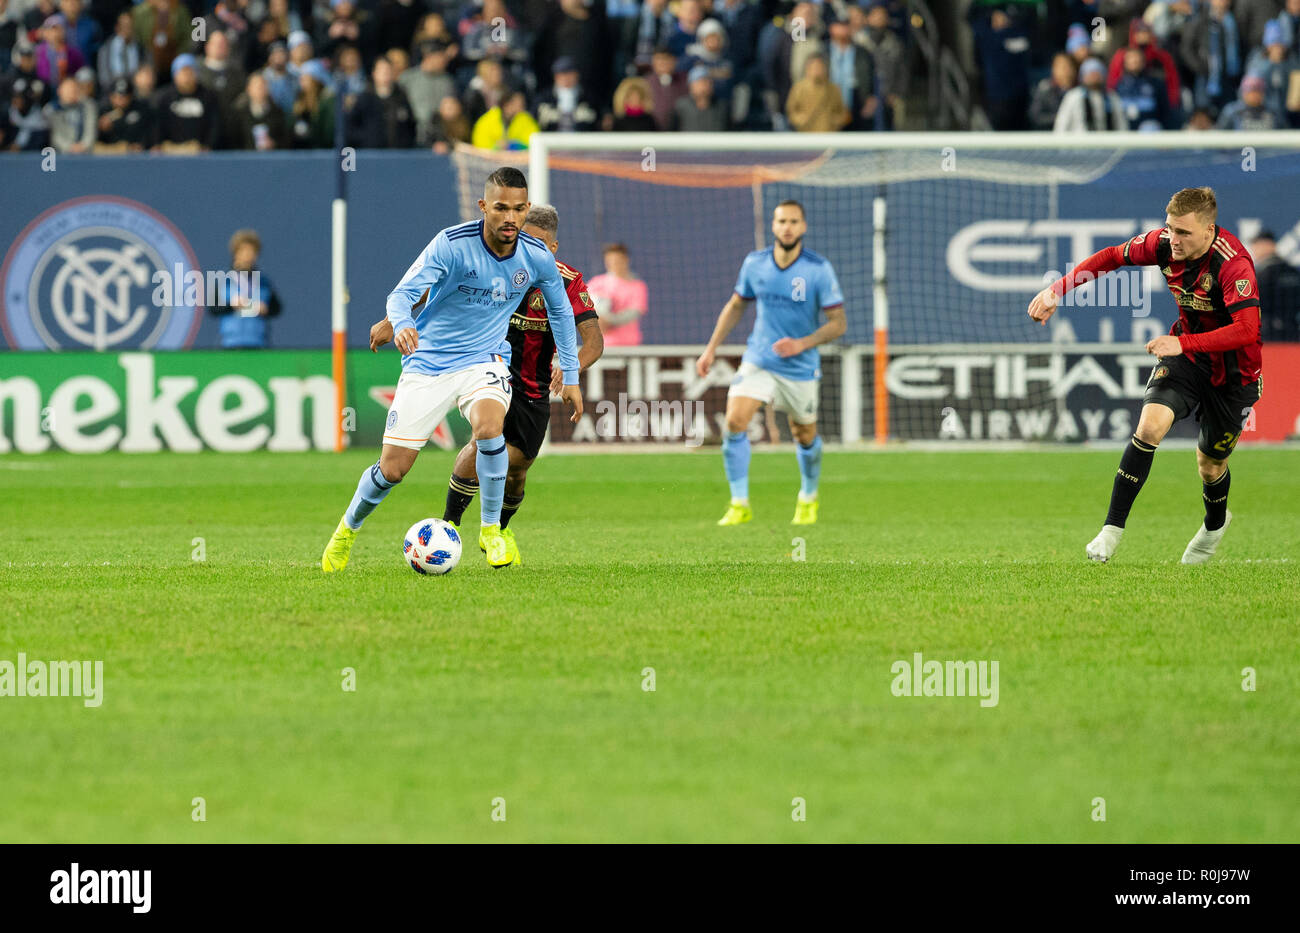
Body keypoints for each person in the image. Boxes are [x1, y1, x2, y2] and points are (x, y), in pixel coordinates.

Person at [320, 168, 584, 571]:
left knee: (490, 427)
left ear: (526, 208)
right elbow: (403, 293)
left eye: (517, 209)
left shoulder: (536, 256)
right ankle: (346, 531)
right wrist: (403, 322)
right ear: (484, 207)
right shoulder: (451, 244)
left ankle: (491, 529)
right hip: (430, 363)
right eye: (500, 208)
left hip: (486, 360)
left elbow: (563, 313)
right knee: (393, 469)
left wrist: (572, 373)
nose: (510, 218)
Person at [1028, 187, 1263, 564]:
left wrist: (1184, 345)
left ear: (1209, 230)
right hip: (1186, 356)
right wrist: (1058, 290)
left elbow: (1247, 330)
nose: (1174, 240)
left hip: (1235, 372)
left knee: (1210, 464)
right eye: (1171, 228)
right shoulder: (1163, 244)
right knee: (1150, 427)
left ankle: (1215, 525)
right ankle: (1110, 531)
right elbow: (1111, 256)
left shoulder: (1233, 264)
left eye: (1184, 233)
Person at [369, 205, 604, 562]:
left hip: (534, 382)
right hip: (485, 365)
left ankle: (501, 529)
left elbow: (594, 340)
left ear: (553, 248)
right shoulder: (493, 262)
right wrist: (393, 320)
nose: (526, 247)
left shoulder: (567, 281)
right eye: (523, 236)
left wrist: (570, 370)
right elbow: (431, 284)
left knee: (520, 465)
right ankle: (450, 527)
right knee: (484, 440)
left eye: (537, 242)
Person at [696, 200, 846, 527]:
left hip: (800, 365)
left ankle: (808, 497)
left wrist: (801, 344)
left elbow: (838, 323)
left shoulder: (818, 269)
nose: (787, 227)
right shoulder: (755, 263)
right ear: (774, 226)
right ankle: (739, 503)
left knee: (803, 434)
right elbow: (736, 305)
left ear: (803, 227)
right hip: (760, 358)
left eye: (794, 221)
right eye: (781, 221)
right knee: (735, 421)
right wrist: (711, 349)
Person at [210, 229, 282, 348]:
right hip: (231, 344)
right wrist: (231, 305)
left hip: (258, 342)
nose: (248, 257)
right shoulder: (224, 280)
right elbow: (213, 309)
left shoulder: (264, 282)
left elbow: (277, 308)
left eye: (252, 252)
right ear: (236, 253)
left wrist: (265, 308)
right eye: (244, 252)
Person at [586, 243, 648, 346]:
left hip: (629, 345)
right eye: (610, 261)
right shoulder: (596, 283)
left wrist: (609, 321)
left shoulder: (638, 286)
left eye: (617, 261)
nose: (614, 264)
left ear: (626, 260)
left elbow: (634, 312)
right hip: (601, 346)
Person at [1054, 58, 1129, 132]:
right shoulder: (1073, 96)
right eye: (1090, 73)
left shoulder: (1112, 97)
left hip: (1107, 141)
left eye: (1097, 73)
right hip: (1080, 141)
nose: (1093, 76)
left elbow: (1121, 124)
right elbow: (1062, 124)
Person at [1251, 230, 1300, 342]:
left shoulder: (1264, 274)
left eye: (1257, 245)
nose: (1254, 250)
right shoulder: (1293, 271)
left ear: (1269, 245)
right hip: (1293, 330)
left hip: (1268, 333)